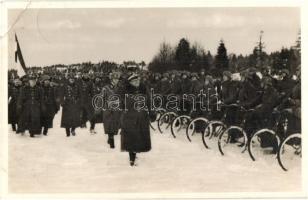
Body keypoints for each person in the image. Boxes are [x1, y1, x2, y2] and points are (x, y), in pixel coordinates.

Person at [120, 73, 156, 166]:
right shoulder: (125, 91)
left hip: (142, 118)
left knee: (139, 138)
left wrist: (152, 113)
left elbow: (149, 102)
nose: (137, 82)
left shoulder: (144, 90)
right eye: (134, 81)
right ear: (130, 82)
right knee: (130, 138)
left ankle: (135, 154)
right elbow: (120, 104)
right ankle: (132, 158)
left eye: (138, 80)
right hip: (129, 118)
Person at [102, 71, 123, 148]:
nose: (116, 81)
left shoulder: (120, 88)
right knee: (109, 125)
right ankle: (111, 142)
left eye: (117, 79)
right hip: (108, 109)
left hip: (117, 109)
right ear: (111, 79)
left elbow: (122, 98)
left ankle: (110, 137)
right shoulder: (106, 88)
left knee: (115, 126)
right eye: (115, 79)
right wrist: (100, 107)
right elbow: (102, 98)